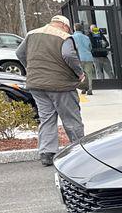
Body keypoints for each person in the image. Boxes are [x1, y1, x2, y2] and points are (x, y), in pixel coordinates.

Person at [16, 15, 86, 166]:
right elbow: (68, 55)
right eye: (68, 28)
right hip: (61, 85)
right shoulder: (64, 36)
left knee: (46, 118)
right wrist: (79, 73)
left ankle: (47, 154)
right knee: (71, 118)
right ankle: (80, 149)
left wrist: (31, 69)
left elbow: (19, 53)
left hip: (37, 85)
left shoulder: (31, 34)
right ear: (64, 25)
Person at [72, 23, 95, 95]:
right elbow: (90, 47)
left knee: (80, 75)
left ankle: (83, 88)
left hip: (78, 58)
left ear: (75, 28)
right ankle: (90, 89)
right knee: (89, 74)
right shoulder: (86, 37)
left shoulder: (72, 37)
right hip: (88, 57)